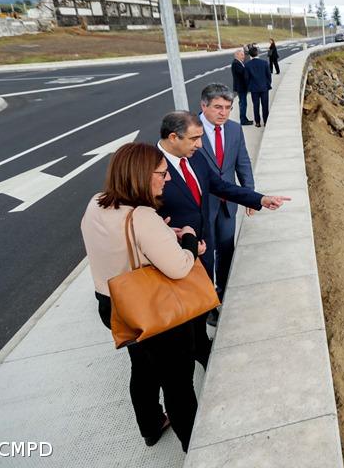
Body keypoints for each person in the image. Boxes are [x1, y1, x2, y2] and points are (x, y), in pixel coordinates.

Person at [81, 142, 207, 452]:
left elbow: (122, 246)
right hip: (153, 311)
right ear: (140, 175)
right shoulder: (142, 217)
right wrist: (189, 239)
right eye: (162, 174)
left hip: (114, 306)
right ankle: (195, 448)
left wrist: (161, 236)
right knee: (178, 384)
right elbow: (179, 268)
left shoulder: (96, 204)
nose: (166, 179)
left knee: (143, 368)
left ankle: (150, 425)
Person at [156, 111, 288, 365]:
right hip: (173, 257)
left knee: (199, 306)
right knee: (182, 316)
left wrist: (259, 199)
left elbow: (220, 186)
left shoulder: (195, 159)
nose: (200, 145)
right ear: (173, 137)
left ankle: (202, 347)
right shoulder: (148, 166)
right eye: (194, 139)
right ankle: (192, 351)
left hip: (203, 248)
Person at [198, 83, 255, 303]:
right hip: (201, 206)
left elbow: (243, 163)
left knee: (226, 250)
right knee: (205, 256)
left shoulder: (234, 129)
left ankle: (221, 294)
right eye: (217, 107)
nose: (224, 113)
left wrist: (248, 195)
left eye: (228, 107)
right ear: (204, 105)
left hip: (227, 205)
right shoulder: (191, 130)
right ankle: (205, 302)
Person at [244, 44, 272, 127]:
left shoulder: (248, 65)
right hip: (264, 88)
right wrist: (268, 84)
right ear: (257, 53)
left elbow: (246, 78)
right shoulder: (264, 63)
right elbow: (268, 75)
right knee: (265, 105)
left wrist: (249, 86)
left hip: (254, 88)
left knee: (255, 106)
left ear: (250, 55)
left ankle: (257, 122)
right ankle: (266, 121)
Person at [230, 48, 252, 124]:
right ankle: (243, 120)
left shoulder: (239, 62)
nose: (244, 56)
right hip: (241, 87)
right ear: (237, 55)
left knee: (243, 103)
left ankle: (244, 119)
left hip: (242, 87)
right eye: (242, 55)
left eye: (243, 55)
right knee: (243, 103)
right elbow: (243, 73)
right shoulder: (236, 63)